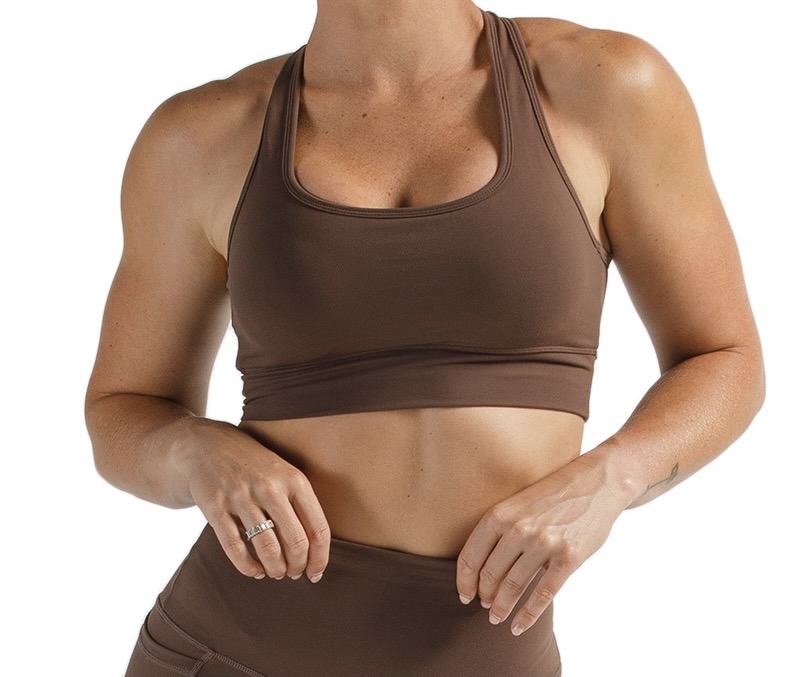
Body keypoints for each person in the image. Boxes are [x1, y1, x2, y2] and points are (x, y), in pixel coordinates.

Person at [84, 1, 765, 675]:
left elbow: (724, 355)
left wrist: (614, 476)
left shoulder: (604, 86)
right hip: (227, 652)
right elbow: (122, 407)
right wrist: (194, 449)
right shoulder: (200, 137)